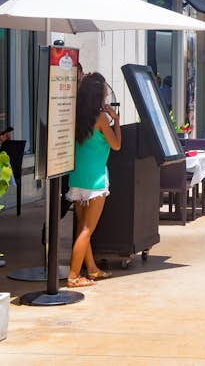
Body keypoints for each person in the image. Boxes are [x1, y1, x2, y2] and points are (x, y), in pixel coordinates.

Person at [65, 73, 121, 288]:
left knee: (82, 227)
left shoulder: (76, 115)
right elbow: (116, 145)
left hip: (77, 177)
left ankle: (92, 269)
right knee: (87, 229)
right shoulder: (100, 119)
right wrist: (115, 120)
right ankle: (72, 276)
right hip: (96, 180)